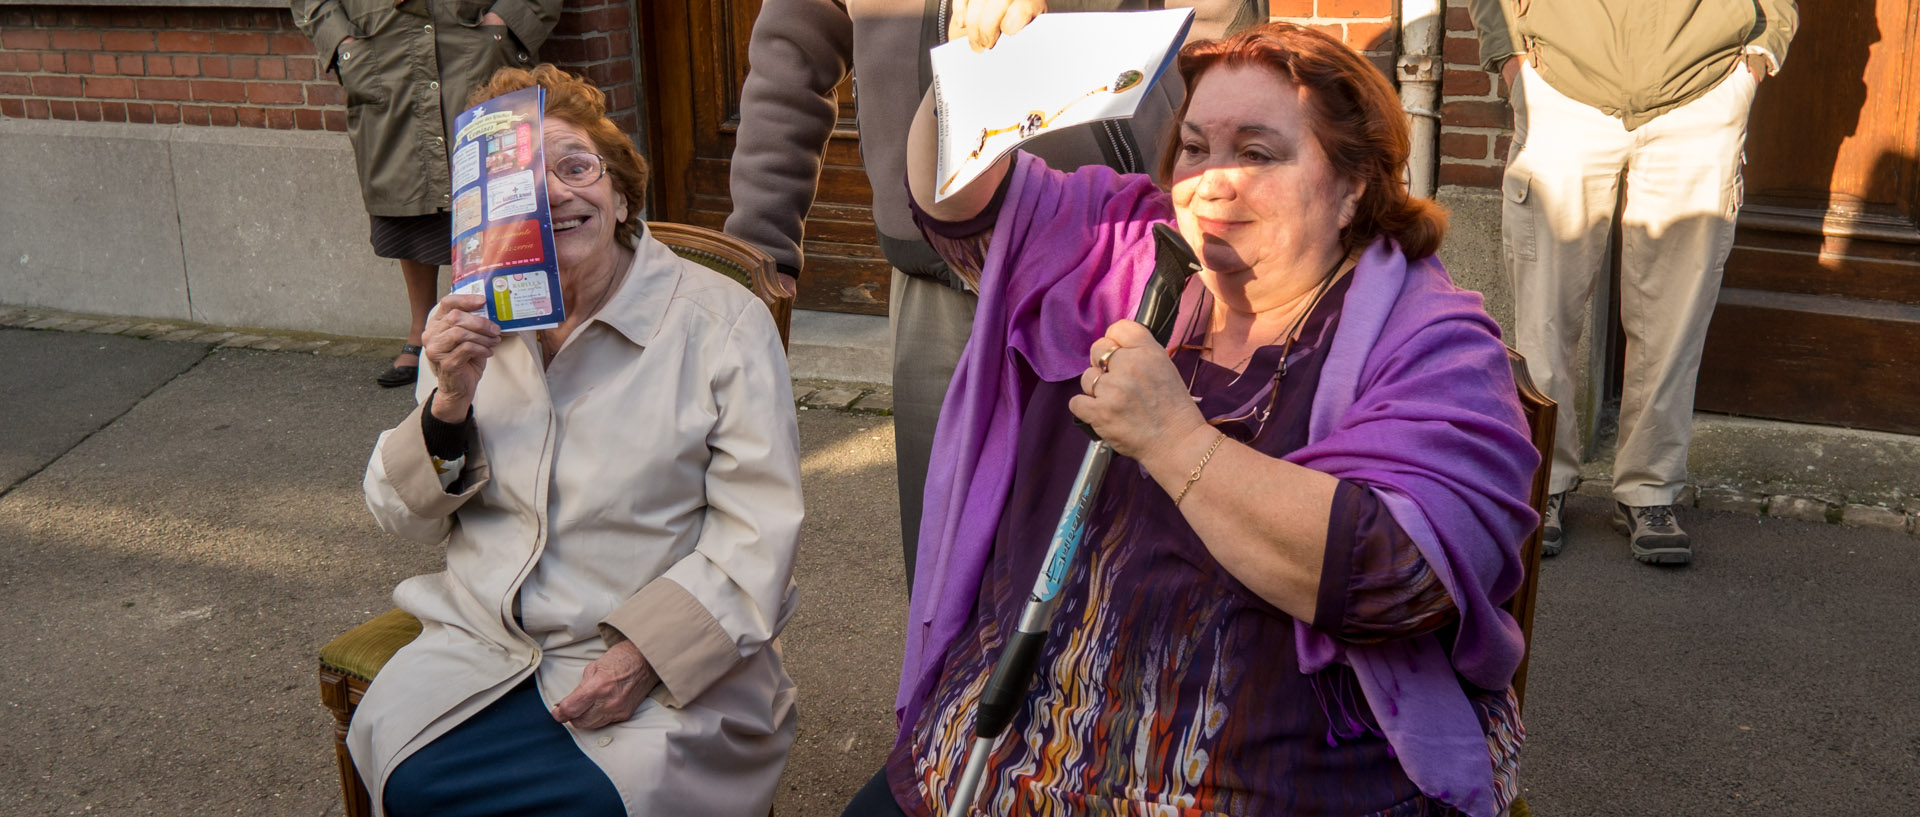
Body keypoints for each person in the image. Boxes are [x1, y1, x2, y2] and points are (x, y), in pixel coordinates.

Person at [842, 22, 1540, 817]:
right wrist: (978, 58)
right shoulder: (1124, 246)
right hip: (1011, 741)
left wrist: (1177, 442)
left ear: (1353, 186)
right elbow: (955, 198)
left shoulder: (1431, 337)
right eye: (1196, 148)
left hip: (1271, 772)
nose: (1213, 182)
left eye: (1258, 152)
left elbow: (1403, 577)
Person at [354, 66, 802, 817]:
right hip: (483, 649)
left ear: (620, 195)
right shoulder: (472, 323)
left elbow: (758, 536)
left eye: (576, 167)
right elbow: (396, 515)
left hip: (652, 667)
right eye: (526, 179)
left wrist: (644, 656)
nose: (555, 193)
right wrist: (449, 400)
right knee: (411, 775)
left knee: (601, 803)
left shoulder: (720, 327)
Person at [724, 0, 1266, 590]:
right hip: (937, 277)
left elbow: (1221, 25)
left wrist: (1206, 192)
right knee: (949, 569)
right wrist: (759, 251)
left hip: (1107, 264)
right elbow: (789, 63)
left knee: (1120, 560)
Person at [1468, 0, 1798, 564]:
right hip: (1560, 84)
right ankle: (1541, 482)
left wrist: (1764, 48)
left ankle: (1650, 489)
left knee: (1675, 313)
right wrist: (1509, 57)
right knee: (1544, 311)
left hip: (1705, 84)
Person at [292, 0, 560, 388]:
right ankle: (422, 328)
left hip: (471, 37)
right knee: (409, 186)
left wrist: (507, 22)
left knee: (498, 187)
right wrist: (340, 41)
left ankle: (505, 324)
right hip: (381, 40)